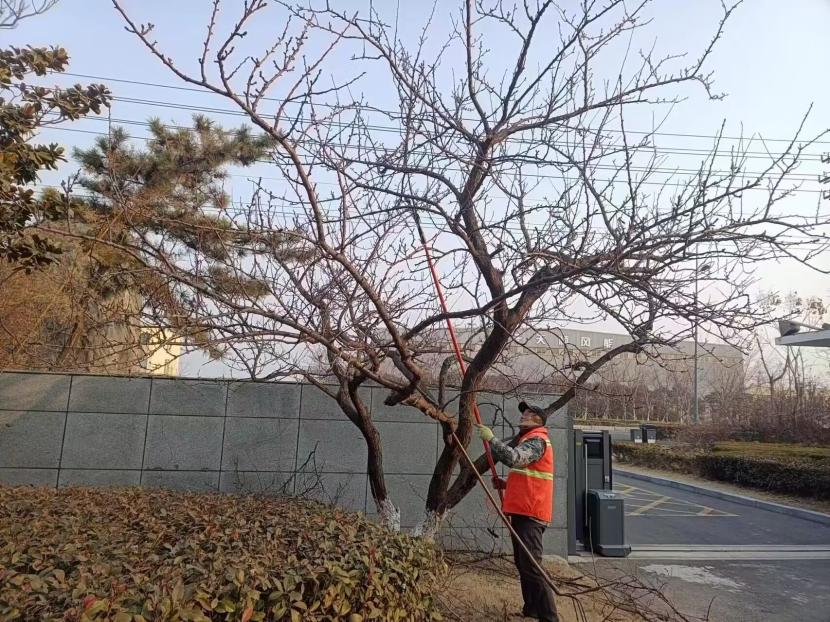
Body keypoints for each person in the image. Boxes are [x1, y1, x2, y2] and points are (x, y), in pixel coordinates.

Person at [475, 401, 558, 622]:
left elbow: (514, 459)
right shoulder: (529, 439)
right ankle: (531, 609)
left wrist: (492, 439)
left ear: (538, 420)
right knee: (523, 565)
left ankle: (549, 618)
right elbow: (528, 476)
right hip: (523, 512)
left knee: (532, 566)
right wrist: (505, 485)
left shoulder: (538, 441)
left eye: (528, 413)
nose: (522, 416)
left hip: (532, 513)